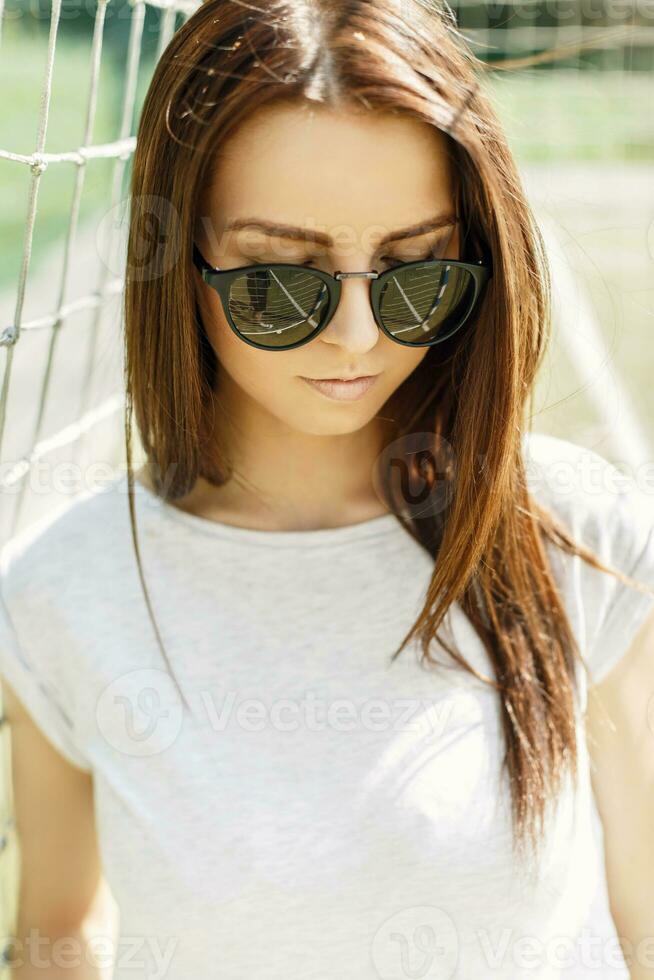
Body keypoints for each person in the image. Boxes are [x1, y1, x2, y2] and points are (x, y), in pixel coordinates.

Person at [1, 0, 654, 977]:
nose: (357, 336)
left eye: (413, 271)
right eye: (281, 281)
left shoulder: (576, 532)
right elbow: (59, 935)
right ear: (180, 262)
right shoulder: (64, 588)